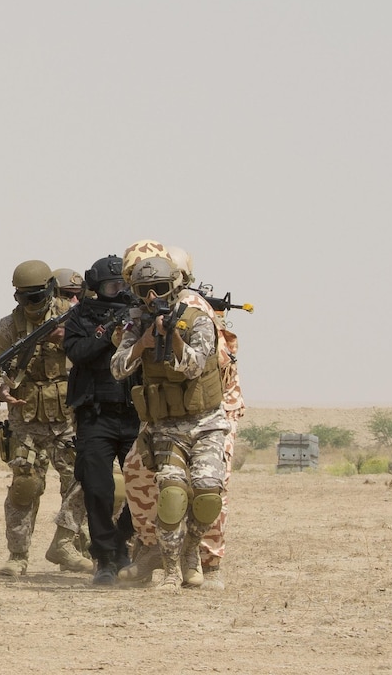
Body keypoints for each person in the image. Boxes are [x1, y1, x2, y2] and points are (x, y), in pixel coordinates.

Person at [122, 245, 244, 588]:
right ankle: (160, 558)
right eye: (141, 288)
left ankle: (201, 555)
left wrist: (172, 335)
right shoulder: (137, 321)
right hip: (166, 424)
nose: (150, 296)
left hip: (207, 418)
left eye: (158, 289)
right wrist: (143, 343)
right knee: (168, 491)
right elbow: (119, 366)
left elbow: (194, 366)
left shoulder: (196, 314)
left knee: (209, 491)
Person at [0, 259, 91, 575]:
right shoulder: (9, 326)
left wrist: (68, 341)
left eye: (36, 297)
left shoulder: (75, 316)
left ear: (48, 290)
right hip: (25, 417)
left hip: (68, 416)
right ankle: (17, 557)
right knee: (25, 484)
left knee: (81, 481)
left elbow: (95, 354)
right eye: (24, 298)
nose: (31, 304)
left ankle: (69, 546)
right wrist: (0, 390)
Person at [63, 255, 140, 585]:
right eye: (111, 285)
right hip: (96, 416)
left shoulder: (138, 313)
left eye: (123, 284)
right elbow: (77, 353)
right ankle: (105, 558)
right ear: (95, 287)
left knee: (141, 489)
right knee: (98, 489)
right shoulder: (80, 316)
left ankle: (122, 542)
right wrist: (106, 334)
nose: (118, 291)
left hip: (136, 415)